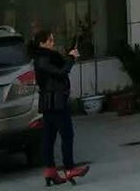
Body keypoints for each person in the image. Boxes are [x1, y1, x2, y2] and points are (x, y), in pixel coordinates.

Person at [31, 29, 90, 186]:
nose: (53, 43)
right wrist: (71, 58)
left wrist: (69, 57)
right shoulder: (44, 58)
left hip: (50, 102)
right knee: (66, 134)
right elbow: (61, 72)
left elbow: (60, 68)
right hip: (55, 102)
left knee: (49, 137)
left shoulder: (44, 57)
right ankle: (69, 168)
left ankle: (50, 170)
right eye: (50, 40)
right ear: (41, 43)